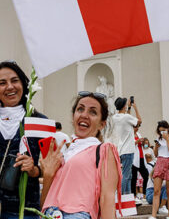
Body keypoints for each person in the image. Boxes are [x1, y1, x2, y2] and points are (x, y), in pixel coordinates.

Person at [0, 61, 47, 219]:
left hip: (25, 211)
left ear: (23, 84)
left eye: (15, 80)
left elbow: (52, 168)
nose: (10, 87)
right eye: (2, 83)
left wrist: (34, 170)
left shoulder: (40, 121)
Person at [40, 91, 120, 219]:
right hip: (50, 214)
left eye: (93, 112)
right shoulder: (64, 155)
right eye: (80, 109)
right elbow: (44, 203)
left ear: (102, 124)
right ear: (73, 116)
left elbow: (107, 198)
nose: (84, 115)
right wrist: (48, 175)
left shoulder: (104, 149)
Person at [148, 120, 169, 219]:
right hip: (160, 162)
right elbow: (156, 155)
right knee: (157, 191)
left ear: (168, 129)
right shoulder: (158, 138)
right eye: (160, 131)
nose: (162, 133)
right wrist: (156, 147)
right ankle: (153, 215)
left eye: (164, 130)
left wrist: (167, 140)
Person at [111, 96, 141, 195]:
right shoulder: (127, 117)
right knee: (126, 176)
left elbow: (126, 118)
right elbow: (139, 121)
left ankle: (127, 197)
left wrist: (128, 109)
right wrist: (135, 107)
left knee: (127, 175)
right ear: (124, 106)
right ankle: (122, 197)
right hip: (128, 150)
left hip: (118, 150)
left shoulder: (114, 118)